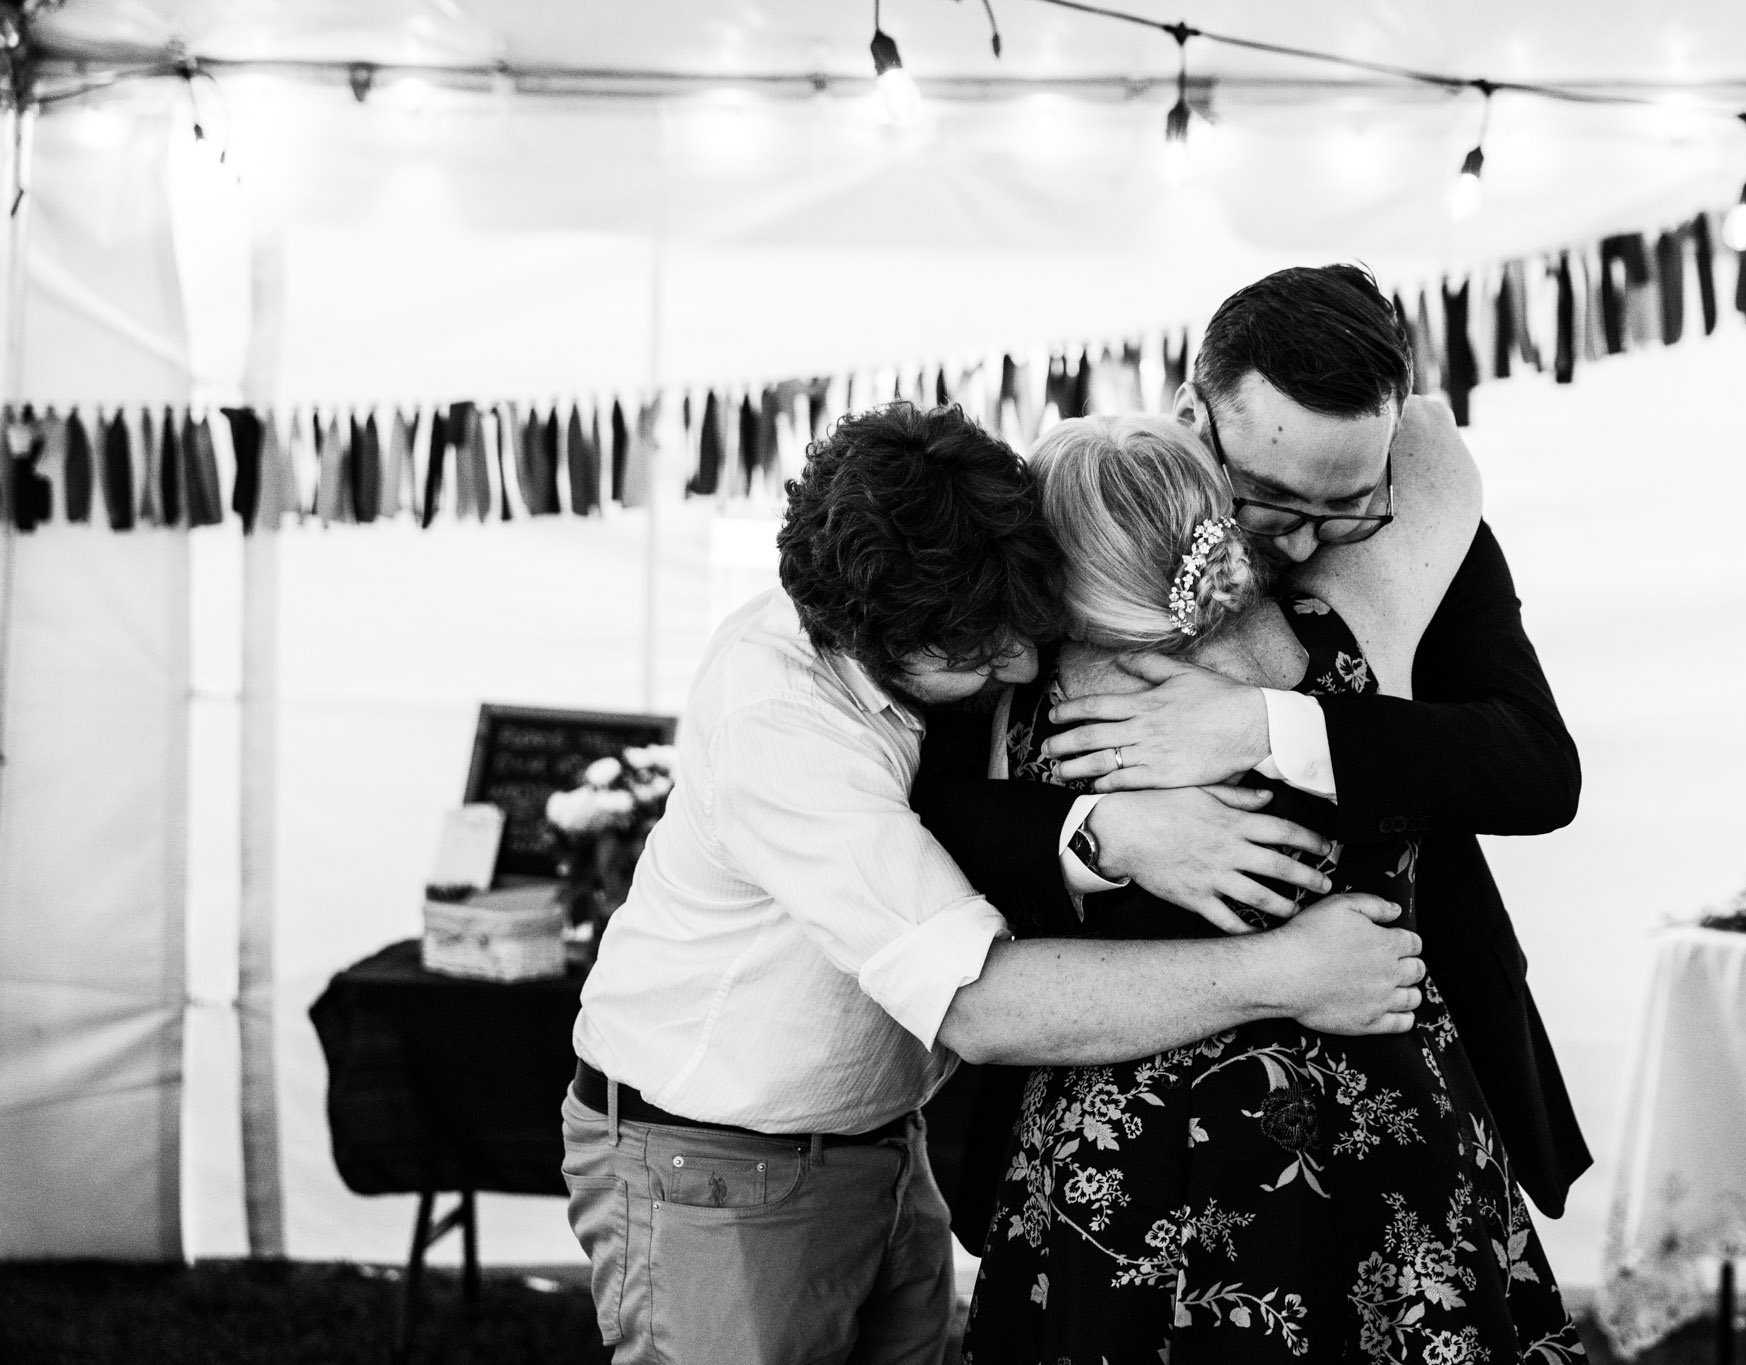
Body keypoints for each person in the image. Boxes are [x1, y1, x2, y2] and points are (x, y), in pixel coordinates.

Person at [561, 402, 1428, 1365]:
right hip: (716, 1166)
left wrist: (1106, 827)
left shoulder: (942, 576)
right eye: (977, 654)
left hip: (880, 1146)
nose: (1018, 662)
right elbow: (977, 1002)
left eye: (1026, 624)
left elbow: (1425, 439)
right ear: (868, 644)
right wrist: (1290, 971)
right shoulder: (783, 727)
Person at [917, 265, 1591, 1240]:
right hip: (1111, 1131)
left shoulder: (1421, 534)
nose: (1312, 542)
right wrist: (1105, 831)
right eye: (1273, 501)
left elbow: (1532, 768)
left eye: (1348, 504)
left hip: (1388, 1063)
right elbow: (928, 799)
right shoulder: (1058, 523)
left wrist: (1263, 724)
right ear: (1194, 414)